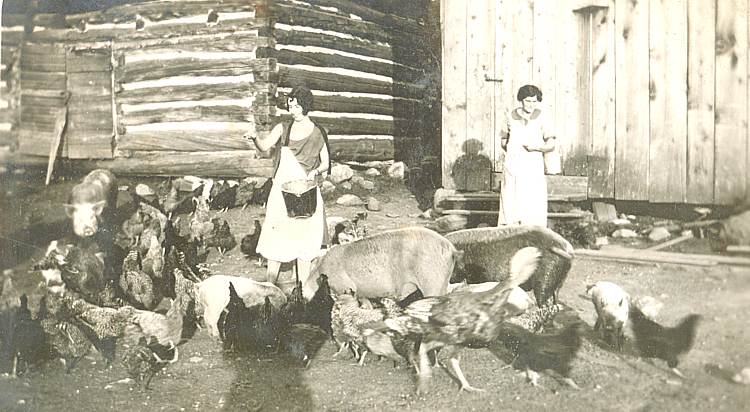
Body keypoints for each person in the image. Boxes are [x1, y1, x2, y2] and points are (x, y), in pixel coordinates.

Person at [245, 85, 330, 286]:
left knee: (305, 239)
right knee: (277, 233)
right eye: (290, 106)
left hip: (307, 191)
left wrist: (315, 171)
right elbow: (265, 147)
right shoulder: (282, 128)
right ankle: (269, 285)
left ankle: (302, 288)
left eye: (297, 106)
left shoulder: (318, 132)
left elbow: (325, 162)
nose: (292, 110)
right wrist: (255, 137)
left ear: (306, 106)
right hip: (282, 190)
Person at [497, 84, 556, 227]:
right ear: (521, 100)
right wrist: (514, 152)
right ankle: (509, 231)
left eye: (534, 101)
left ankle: (533, 232)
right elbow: (504, 141)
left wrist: (535, 148)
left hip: (533, 163)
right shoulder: (510, 116)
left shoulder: (542, 117)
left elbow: (551, 144)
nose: (531, 104)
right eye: (528, 101)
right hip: (513, 164)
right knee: (510, 197)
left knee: (532, 199)